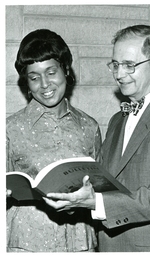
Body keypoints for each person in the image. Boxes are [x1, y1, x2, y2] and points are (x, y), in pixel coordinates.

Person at [43, 25, 150, 252]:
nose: (119, 74)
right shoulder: (117, 120)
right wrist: (70, 195)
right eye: (115, 64)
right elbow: (102, 182)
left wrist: (97, 202)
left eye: (129, 65)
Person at [6, 29, 102, 252]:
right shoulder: (10, 128)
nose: (44, 84)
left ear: (66, 70)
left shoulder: (89, 126)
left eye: (51, 72)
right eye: (34, 77)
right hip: (26, 242)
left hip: (80, 242)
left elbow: (101, 189)